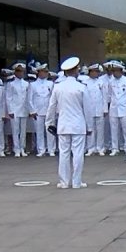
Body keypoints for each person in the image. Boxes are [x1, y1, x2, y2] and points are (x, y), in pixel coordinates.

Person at [47, 57, 94, 189]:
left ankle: (64, 182)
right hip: (78, 124)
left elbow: (51, 107)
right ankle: (77, 182)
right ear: (74, 70)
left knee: (64, 153)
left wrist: (49, 123)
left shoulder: (57, 87)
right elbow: (87, 109)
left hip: (63, 124)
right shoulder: (81, 87)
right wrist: (89, 126)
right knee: (78, 153)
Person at [27, 65, 55, 157]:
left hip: (48, 110)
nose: (45, 73)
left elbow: (53, 98)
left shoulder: (50, 84)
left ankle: (51, 149)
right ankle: (41, 149)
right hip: (37, 111)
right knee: (39, 131)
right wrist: (32, 111)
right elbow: (29, 99)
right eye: (43, 71)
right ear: (39, 73)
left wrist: (53, 110)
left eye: (46, 72)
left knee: (50, 131)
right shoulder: (33, 84)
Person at [6, 63, 30, 156]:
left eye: (22, 71)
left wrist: (29, 110)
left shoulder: (26, 84)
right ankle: (16, 149)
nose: (21, 73)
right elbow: (9, 98)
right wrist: (10, 111)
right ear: (15, 72)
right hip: (15, 109)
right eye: (19, 71)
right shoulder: (11, 84)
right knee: (15, 130)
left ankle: (22, 148)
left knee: (23, 130)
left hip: (23, 109)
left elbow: (28, 98)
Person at [84, 64, 108, 156]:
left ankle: (100, 147)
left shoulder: (101, 82)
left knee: (100, 129)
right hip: (89, 109)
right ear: (90, 72)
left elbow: (104, 97)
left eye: (97, 72)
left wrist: (105, 109)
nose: (96, 73)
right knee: (90, 128)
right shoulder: (85, 82)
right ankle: (90, 147)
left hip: (99, 108)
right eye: (95, 72)